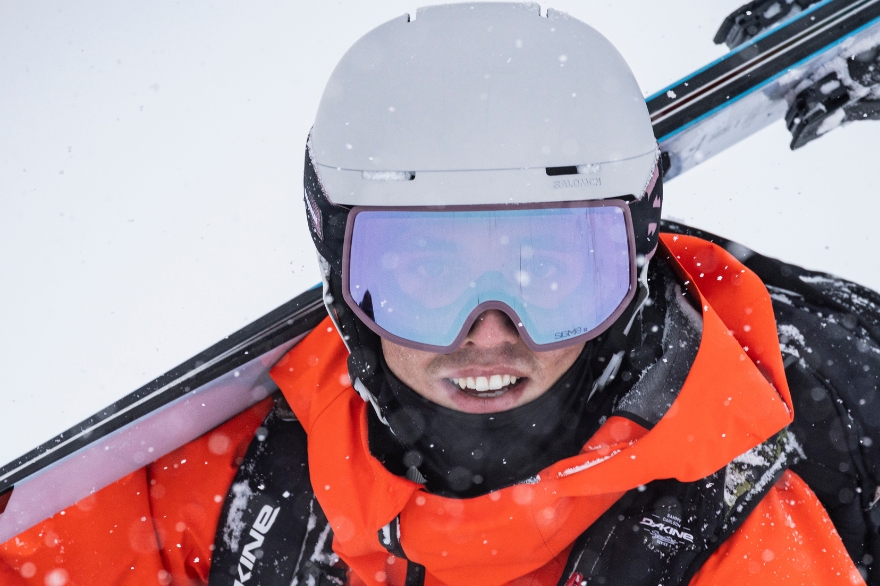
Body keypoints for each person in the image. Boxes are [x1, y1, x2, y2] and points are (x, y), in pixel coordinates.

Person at [0, 3, 872, 585]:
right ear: (340, 270)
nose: (490, 335)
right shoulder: (239, 474)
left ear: (632, 266)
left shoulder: (738, 540)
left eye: (552, 273)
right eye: (423, 276)